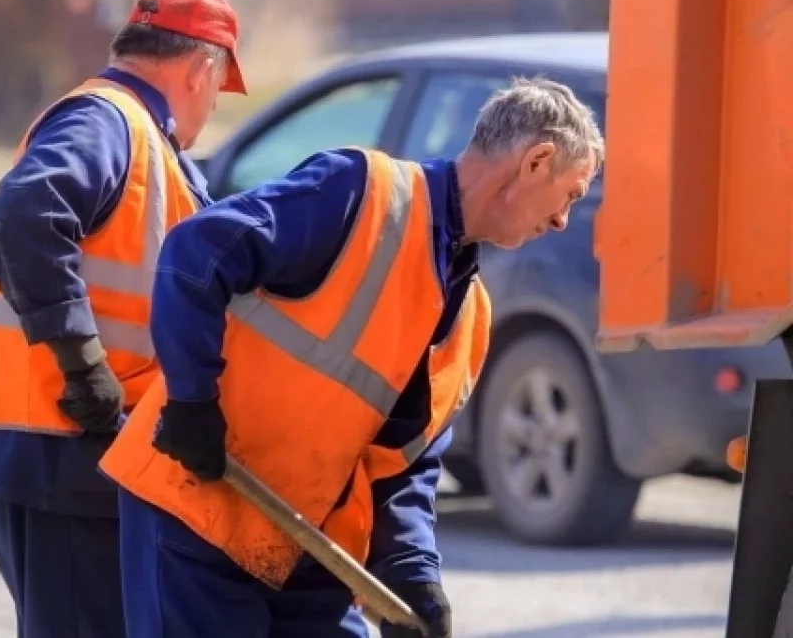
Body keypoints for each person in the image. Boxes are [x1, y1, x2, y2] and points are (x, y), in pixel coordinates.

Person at [100, 76, 604, 637]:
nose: (562, 220)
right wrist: (192, 401)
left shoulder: (468, 317)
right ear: (537, 161)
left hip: (304, 547)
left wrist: (412, 573)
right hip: (198, 508)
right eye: (571, 194)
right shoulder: (360, 192)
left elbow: (406, 463)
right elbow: (196, 253)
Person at [0, 0, 247, 638]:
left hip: (72, 453)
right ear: (201, 70)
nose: (210, 111)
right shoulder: (106, 121)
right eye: (218, 92)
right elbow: (20, 218)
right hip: (64, 450)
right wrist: (83, 366)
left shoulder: (137, 138)